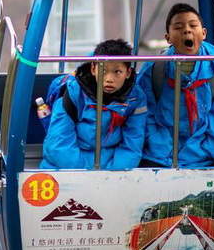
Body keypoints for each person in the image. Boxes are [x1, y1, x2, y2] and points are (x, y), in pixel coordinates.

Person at [138, 3, 214, 167]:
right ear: (168, 38)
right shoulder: (154, 69)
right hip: (159, 154)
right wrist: (161, 149)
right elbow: (145, 113)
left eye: (193, 25)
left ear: (203, 33)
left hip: (203, 153)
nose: (187, 30)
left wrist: (199, 151)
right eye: (179, 27)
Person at [41, 39, 148, 170]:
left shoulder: (135, 98)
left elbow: (133, 144)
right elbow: (59, 144)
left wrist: (113, 174)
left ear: (128, 73)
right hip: (67, 166)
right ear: (93, 69)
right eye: (103, 70)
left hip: (111, 164)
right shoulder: (73, 94)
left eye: (117, 72)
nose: (109, 79)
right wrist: (87, 176)